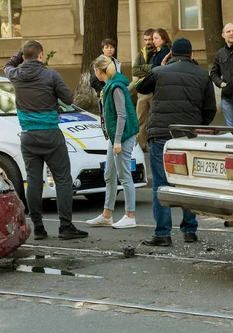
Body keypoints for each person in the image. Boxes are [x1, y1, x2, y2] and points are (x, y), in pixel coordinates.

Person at [4, 40, 88, 241]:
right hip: (51, 134)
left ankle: (39, 228)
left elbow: (7, 65)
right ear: (41, 56)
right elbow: (68, 99)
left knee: (33, 181)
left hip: (28, 136)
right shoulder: (51, 75)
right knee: (63, 179)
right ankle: (65, 227)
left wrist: (20, 54)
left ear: (24, 57)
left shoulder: (16, 75)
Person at [136, 38, 217, 246]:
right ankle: (189, 230)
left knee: (161, 184)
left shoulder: (159, 72)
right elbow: (210, 110)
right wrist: (196, 126)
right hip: (188, 137)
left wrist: (159, 66)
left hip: (161, 134)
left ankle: (163, 234)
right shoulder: (202, 75)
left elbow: (141, 88)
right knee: (188, 181)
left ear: (171, 54)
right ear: (191, 55)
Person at [86, 55, 140, 229]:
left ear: (98, 71)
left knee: (124, 176)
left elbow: (122, 115)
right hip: (116, 137)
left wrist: (117, 141)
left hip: (122, 136)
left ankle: (129, 216)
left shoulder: (115, 87)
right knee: (109, 174)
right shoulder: (110, 85)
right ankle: (107, 215)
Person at [131, 28, 156, 152]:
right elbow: (134, 70)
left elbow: (158, 68)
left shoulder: (160, 52)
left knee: (155, 118)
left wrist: (145, 68)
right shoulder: (142, 53)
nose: (148, 42)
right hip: (143, 91)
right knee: (141, 119)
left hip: (156, 90)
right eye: (145, 40)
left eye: (150, 39)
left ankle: (155, 144)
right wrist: (150, 71)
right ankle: (142, 145)